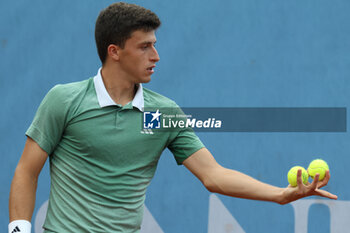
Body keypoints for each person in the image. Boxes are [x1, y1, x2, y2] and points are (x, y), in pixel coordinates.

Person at [8, 2, 337, 233]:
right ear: (114, 51)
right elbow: (26, 170)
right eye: (144, 47)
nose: (156, 56)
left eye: (155, 45)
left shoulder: (162, 114)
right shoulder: (64, 100)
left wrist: (281, 195)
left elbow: (214, 176)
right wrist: (20, 230)